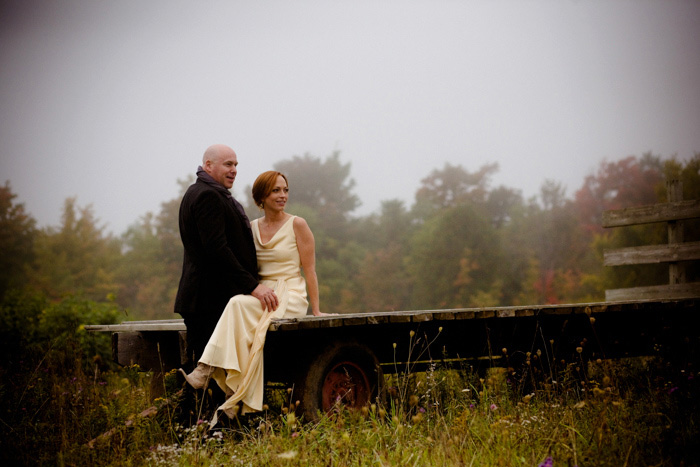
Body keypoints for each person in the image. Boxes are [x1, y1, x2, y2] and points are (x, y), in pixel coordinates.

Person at [181, 170, 327, 418]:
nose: (283, 196)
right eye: (276, 191)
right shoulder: (251, 227)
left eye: (285, 190)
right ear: (262, 196)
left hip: (290, 292)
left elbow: (310, 270)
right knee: (240, 311)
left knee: (239, 305)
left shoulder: (297, 224)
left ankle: (209, 371)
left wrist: (316, 310)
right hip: (263, 293)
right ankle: (231, 391)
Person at [174, 144, 279, 365]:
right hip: (208, 300)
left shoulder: (203, 192)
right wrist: (253, 286)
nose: (234, 170)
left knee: (210, 369)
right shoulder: (207, 196)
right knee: (208, 369)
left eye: (236, 165)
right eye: (228, 164)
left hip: (208, 298)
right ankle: (188, 401)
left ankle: (193, 401)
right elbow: (217, 250)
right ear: (208, 165)